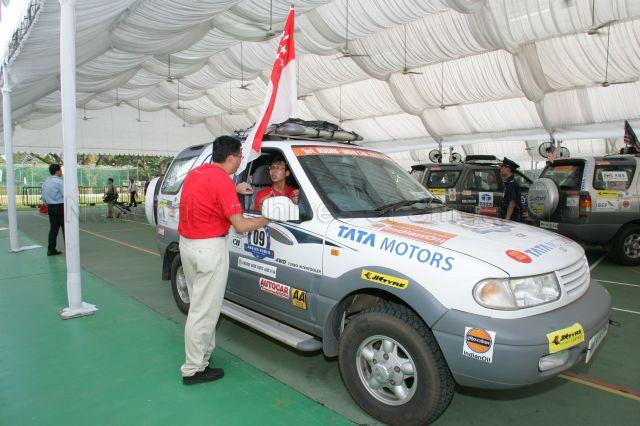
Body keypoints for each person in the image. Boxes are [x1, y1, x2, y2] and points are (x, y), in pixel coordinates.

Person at [179, 136, 269, 385]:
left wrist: (234, 190)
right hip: (209, 250)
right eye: (240, 156)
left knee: (200, 304)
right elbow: (240, 225)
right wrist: (265, 219)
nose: (241, 160)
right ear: (231, 158)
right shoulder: (222, 181)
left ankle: (202, 358)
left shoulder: (199, 173)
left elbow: (209, 194)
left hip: (188, 245)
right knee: (204, 311)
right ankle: (193, 369)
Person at [41, 164, 64, 256]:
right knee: (65, 228)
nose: (61, 172)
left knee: (53, 229)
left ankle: (51, 249)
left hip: (50, 206)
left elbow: (44, 196)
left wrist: (47, 205)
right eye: (60, 170)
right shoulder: (59, 182)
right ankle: (70, 248)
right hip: (60, 206)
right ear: (57, 171)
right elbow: (65, 194)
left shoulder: (46, 182)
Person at [500, 157, 522, 222]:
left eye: (502, 167)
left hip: (512, 217)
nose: (501, 169)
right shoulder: (509, 182)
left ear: (508, 169)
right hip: (511, 216)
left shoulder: (511, 183)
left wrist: (507, 219)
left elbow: (512, 203)